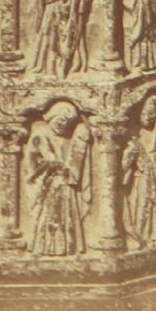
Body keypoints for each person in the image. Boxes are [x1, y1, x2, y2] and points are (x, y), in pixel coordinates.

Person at [23, 102, 90, 259]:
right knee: (47, 215)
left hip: (62, 184)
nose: (62, 126)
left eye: (67, 123)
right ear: (51, 117)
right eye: (59, 121)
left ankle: (67, 247)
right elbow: (43, 160)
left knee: (66, 215)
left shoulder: (66, 136)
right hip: (47, 184)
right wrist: (58, 166)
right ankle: (41, 247)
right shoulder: (40, 134)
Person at [123, 93, 156, 249]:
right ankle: (140, 235)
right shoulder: (132, 133)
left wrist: (155, 159)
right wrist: (131, 155)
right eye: (145, 113)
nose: (149, 117)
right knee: (139, 207)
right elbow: (123, 165)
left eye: (152, 114)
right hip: (139, 180)